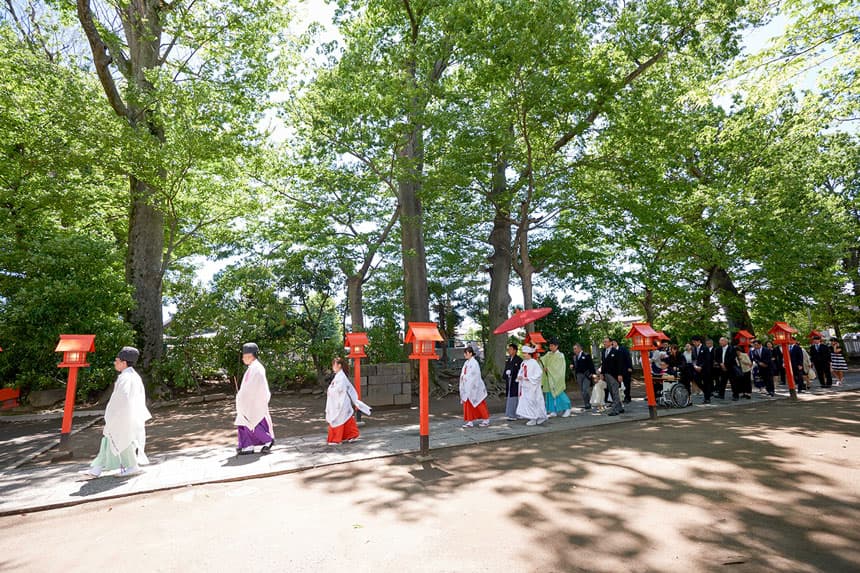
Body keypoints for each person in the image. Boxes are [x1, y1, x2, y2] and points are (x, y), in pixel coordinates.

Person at [82, 346, 151, 478]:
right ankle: (96, 469)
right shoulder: (130, 376)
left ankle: (131, 466)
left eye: (117, 360)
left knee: (120, 440)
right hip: (125, 415)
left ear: (124, 362)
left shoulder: (127, 377)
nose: (115, 363)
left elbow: (123, 397)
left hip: (123, 415)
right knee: (112, 440)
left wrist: (115, 413)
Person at [234, 342, 274, 455]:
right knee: (243, 422)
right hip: (248, 402)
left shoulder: (257, 369)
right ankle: (247, 446)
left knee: (253, 423)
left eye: (244, 356)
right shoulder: (252, 368)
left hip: (255, 403)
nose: (242, 359)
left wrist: (243, 396)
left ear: (249, 356)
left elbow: (254, 387)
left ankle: (268, 440)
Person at [326, 357, 369, 444]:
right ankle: (352, 435)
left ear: (339, 365)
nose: (333, 367)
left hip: (341, 402)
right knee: (346, 418)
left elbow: (340, 389)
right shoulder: (339, 376)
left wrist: (331, 390)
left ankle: (336, 438)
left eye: (334, 365)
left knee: (339, 419)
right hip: (341, 400)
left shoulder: (341, 377)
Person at [516, 345, 548, 426]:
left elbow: (539, 373)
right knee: (526, 401)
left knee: (533, 401)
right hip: (525, 386)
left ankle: (535, 417)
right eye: (523, 353)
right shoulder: (523, 363)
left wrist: (530, 378)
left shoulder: (533, 362)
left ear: (529, 354)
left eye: (525, 353)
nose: (524, 355)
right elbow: (521, 371)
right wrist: (519, 376)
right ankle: (531, 416)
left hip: (532, 386)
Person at [459, 346, 490, 427]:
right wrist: (463, 377)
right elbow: (464, 373)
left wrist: (465, 377)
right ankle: (470, 421)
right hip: (467, 386)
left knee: (479, 402)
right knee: (468, 403)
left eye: (466, 353)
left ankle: (486, 419)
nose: (465, 355)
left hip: (475, 387)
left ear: (470, 353)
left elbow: (474, 375)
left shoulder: (474, 363)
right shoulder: (466, 363)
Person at [542, 338, 572, 418]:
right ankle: (552, 410)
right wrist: (538, 357)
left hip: (556, 377)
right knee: (549, 393)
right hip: (549, 377)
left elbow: (558, 367)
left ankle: (567, 408)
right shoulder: (548, 354)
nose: (551, 347)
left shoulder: (560, 355)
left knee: (559, 392)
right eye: (550, 346)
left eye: (552, 346)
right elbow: (542, 361)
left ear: (556, 346)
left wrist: (548, 368)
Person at [599, 338, 624, 416]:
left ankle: (615, 409)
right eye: (604, 342)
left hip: (614, 375)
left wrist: (620, 374)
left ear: (610, 343)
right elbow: (603, 363)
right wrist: (602, 373)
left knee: (615, 392)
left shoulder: (616, 352)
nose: (604, 343)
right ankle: (620, 407)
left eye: (606, 342)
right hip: (606, 374)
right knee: (611, 392)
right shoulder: (603, 352)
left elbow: (620, 364)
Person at [572, 343, 596, 410]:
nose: (574, 350)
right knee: (582, 390)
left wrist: (592, 373)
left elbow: (591, 365)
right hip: (579, 375)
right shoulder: (574, 357)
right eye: (574, 349)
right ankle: (586, 403)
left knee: (585, 389)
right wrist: (572, 366)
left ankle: (588, 403)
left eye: (575, 348)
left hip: (586, 375)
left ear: (579, 348)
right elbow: (574, 366)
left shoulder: (586, 355)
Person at [502, 343, 523, 420]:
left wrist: (512, 372)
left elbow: (520, 371)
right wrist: (506, 374)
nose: (509, 351)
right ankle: (511, 413)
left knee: (515, 397)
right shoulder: (509, 359)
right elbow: (506, 369)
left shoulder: (519, 360)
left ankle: (515, 414)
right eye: (508, 349)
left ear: (515, 350)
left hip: (515, 381)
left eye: (510, 349)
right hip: (509, 380)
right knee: (510, 397)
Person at [692, 336, 713, 404]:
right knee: (696, 380)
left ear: (699, 341)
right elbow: (694, 359)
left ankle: (707, 398)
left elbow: (707, 359)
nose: (694, 343)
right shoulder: (694, 349)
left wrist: (701, 367)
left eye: (694, 342)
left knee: (706, 383)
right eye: (693, 342)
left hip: (705, 369)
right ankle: (707, 392)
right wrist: (695, 366)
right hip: (697, 369)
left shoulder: (705, 348)